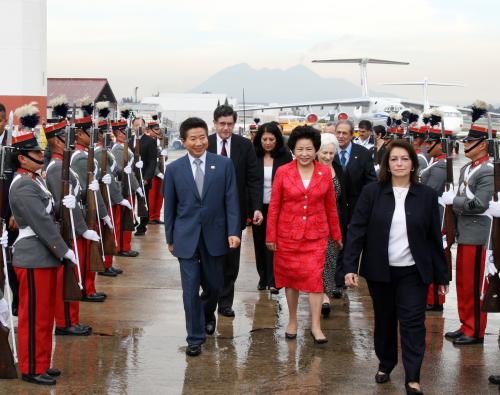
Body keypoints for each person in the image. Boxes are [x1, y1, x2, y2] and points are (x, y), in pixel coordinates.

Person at [343, 139, 448, 395]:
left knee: (413, 323)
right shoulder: (372, 192)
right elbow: (357, 229)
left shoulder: (426, 196)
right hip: (381, 270)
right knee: (385, 321)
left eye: (404, 159)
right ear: (386, 164)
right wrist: (349, 266)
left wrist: (442, 275)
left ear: (413, 163)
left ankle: (412, 377)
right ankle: (386, 362)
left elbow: (435, 237)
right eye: (394, 159)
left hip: (414, 271)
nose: (399, 163)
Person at [9, 108, 78, 385]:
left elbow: (49, 212)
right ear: (22, 158)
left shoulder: (34, 180)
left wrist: (65, 204)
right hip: (35, 256)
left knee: (45, 315)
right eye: (36, 153)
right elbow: (42, 223)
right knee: (33, 316)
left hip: (43, 257)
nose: (42, 155)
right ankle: (30, 368)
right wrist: (64, 250)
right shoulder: (24, 185)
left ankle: (41, 362)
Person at [164, 117, 240, 357]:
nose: (199, 142)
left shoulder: (224, 164)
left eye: (202, 137)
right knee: (189, 290)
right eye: (193, 139)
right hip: (186, 237)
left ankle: (208, 314)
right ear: (184, 141)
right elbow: (170, 207)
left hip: (215, 235)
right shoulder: (174, 169)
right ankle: (194, 337)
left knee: (214, 286)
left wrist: (233, 231)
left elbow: (231, 200)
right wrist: (170, 237)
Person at [266, 125, 342, 343]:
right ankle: (292, 321)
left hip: (317, 237)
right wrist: (270, 236)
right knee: (291, 280)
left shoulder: (324, 172)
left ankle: (316, 326)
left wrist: (336, 235)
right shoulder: (283, 172)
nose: (305, 154)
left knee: (315, 281)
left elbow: (330, 207)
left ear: (315, 149)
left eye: (309, 149)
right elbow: (274, 206)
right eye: (300, 149)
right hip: (288, 236)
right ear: (293, 150)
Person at [207, 105, 263, 318]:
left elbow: (253, 179)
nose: (226, 128)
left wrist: (256, 207)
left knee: (231, 259)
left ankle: (225, 302)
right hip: (209, 214)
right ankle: (209, 299)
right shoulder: (206, 143)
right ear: (215, 123)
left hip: (234, 212)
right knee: (210, 258)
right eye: (222, 124)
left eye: (230, 124)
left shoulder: (244, 145)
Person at [441, 124, 494, 345]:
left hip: (477, 234)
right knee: (463, 284)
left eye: (470, 141)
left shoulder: (488, 170)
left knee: (473, 285)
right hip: (465, 233)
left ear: (482, 144)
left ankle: (475, 330)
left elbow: (480, 203)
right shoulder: (468, 168)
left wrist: (455, 202)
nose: (465, 145)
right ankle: (465, 323)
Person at [44, 120, 94, 335]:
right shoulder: (56, 168)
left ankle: (71, 318)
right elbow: (59, 203)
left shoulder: (65, 165)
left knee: (74, 275)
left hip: (75, 224)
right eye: (66, 136)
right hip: (67, 228)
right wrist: (82, 228)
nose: (71, 140)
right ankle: (65, 321)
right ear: (57, 141)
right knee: (68, 276)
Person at [333, 120, 377, 286]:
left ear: (352, 135)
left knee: (351, 242)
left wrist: (365, 205)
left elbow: (370, 181)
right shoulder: (329, 152)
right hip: (335, 207)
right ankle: (337, 281)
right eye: (338, 133)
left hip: (356, 207)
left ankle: (346, 274)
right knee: (336, 242)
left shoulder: (363, 153)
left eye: (345, 133)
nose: (341, 136)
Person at [252, 122, 292, 294]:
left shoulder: (285, 157)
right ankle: (262, 277)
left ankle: (273, 279)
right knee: (259, 243)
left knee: (274, 244)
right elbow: (251, 183)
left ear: (278, 140)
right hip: (259, 207)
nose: (267, 142)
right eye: (264, 139)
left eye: (271, 139)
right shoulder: (253, 155)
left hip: (279, 207)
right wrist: (254, 207)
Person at [420, 126, 451, 312]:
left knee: (433, 256)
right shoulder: (435, 162)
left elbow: (429, 191)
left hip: (437, 215)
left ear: (441, 144)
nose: (427, 145)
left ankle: (434, 299)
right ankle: (431, 297)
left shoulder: (441, 165)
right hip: (432, 212)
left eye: (431, 143)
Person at [316, 132, 346, 317]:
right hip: (315, 221)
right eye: (324, 153)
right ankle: (317, 293)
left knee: (330, 258)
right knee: (316, 260)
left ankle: (325, 294)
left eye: (331, 153)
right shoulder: (310, 168)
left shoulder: (339, 169)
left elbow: (344, 196)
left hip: (333, 221)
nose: (327, 157)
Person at [133, 117, 157, 236]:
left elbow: (153, 161)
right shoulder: (129, 140)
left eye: (140, 125)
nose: (138, 128)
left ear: (144, 127)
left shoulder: (150, 141)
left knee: (143, 202)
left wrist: (147, 178)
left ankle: (142, 225)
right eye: (136, 125)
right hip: (130, 178)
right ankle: (133, 221)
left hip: (143, 177)